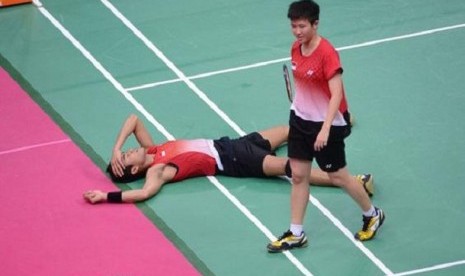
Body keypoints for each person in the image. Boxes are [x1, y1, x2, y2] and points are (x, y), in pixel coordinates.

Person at [267, 0, 385, 253]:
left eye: (302, 26)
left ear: (315, 24)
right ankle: (296, 233)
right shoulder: (296, 49)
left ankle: (372, 214)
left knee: (338, 176)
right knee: (298, 175)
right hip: (300, 120)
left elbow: (336, 93)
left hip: (326, 125)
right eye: (293, 26)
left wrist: (325, 129)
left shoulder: (327, 53)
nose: (297, 31)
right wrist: (301, 108)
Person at [83, 114, 374, 204]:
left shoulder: (152, 149)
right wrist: (107, 196)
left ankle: (329, 128)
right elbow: (145, 193)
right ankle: (353, 182)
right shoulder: (157, 170)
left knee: (288, 131)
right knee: (291, 168)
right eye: (127, 155)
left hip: (234, 144)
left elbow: (133, 119)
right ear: (134, 168)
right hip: (235, 161)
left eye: (127, 151)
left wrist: (114, 150)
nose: (130, 150)